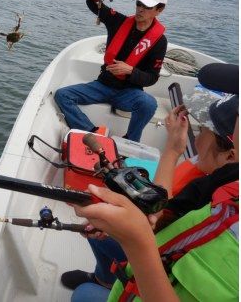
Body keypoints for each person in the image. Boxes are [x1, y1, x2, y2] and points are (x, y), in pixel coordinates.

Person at [69, 63, 239, 301]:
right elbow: (163, 209)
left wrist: (136, 241)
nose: (196, 135)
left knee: (82, 295)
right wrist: (172, 149)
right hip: (156, 263)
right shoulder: (221, 183)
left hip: (151, 269)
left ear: (231, 156)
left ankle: (102, 282)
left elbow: (155, 225)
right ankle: (104, 280)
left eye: (203, 131)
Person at [54, 0, 168, 142]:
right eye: (139, 3)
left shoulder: (159, 42)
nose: (140, 9)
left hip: (129, 93)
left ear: (159, 10)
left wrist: (130, 71)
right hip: (102, 85)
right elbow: (93, 3)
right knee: (62, 95)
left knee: (149, 103)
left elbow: (152, 78)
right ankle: (91, 132)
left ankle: (130, 140)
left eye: (147, 6)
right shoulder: (119, 22)